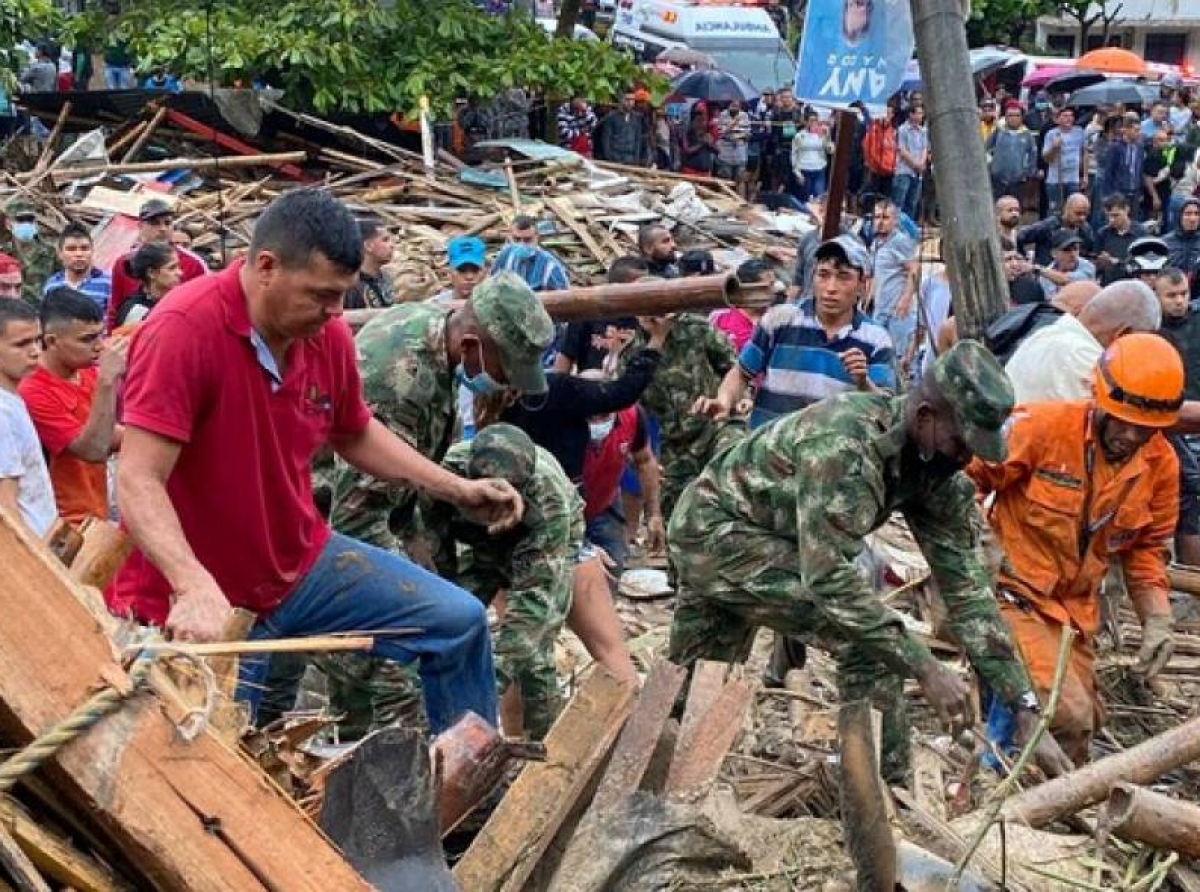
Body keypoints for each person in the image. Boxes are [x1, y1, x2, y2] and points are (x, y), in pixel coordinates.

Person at [105, 189, 523, 734]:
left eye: (342, 297)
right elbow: (138, 479)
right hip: (207, 605)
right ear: (266, 267)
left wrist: (455, 488)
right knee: (222, 758)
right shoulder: (183, 330)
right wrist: (191, 584)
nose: (335, 313)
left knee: (460, 623)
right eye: (321, 295)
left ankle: (468, 799)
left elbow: (354, 430)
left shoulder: (324, 337)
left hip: (299, 564)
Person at [668, 340, 1073, 782]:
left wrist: (1023, 706)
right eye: (961, 443)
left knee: (696, 684)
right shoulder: (845, 447)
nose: (967, 459)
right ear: (924, 418)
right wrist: (925, 667)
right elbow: (828, 581)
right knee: (872, 645)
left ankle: (670, 767)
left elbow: (969, 594)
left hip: (772, 542)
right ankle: (881, 792)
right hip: (713, 535)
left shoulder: (937, 472)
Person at [970, 334, 1180, 765]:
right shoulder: (1042, 427)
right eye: (1121, 420)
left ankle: (1032, 793)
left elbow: (1147, 550)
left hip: (1073, 614)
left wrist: (1157, 617)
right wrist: (979, 542)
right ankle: (1008, 798)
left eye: (1144, 428)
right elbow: (966, 474)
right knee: (1064, 715)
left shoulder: (1160, 467)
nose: (1129, 434)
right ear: (1098, 396)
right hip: (1015, 595)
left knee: (1088, 722)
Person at [419, 424, 584, 740]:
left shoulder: (548, 505)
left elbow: (532, 612)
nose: (494, 511)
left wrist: (487, 682)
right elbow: (433, 562)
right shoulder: (441, 479)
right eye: (487, 500)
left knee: (534, 656)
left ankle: (545, 749)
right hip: (475, 544)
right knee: (449, 622)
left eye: (504, 501)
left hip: (539, 542)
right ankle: (430, 731)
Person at [698, 235, 895, 430]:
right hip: (767, 449)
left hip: (827, 456)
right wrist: (723, 402)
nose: (831, 288)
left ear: (863, 284)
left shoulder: (875, 340)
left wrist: (863, 382)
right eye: (823, 275)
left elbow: (886, 410)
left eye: (843, 277)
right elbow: (741, 374)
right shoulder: (780, 320)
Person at [17, 289, 126, 525]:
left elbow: (110, 434)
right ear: (51, 341)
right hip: (62, 524)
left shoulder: (87, 372)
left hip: (95, 514)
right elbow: (93, 450)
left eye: (100, 335)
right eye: (87, 339)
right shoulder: (32, 390)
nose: (99, 346)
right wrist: (108, 381)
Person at [1005, 280, 1162, 403]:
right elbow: (1116, 424)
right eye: (1142, 341)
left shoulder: (1045, 335)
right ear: (1123, 334)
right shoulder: (1083, 358)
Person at [0, 300, 56, 540]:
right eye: (21, 344)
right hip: (28, 554)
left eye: (37, 340)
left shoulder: (12, 400)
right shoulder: (2, 411)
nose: (35, 351)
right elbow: (6, 510)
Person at [1156, 267, 1200, 566]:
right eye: (1171, 295)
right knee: (1187, 491)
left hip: (1196, 417)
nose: (1179, 301)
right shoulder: (1150, 331)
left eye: (1183, 294)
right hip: (1167, 422)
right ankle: (1187, 575)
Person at [107, 199, 207, 330]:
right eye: (154, 223)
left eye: (168, 223)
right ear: (141, 227)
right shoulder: (124, 263)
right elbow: (115, 308)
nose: (162, 229)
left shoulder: (194, 263)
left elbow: (204, 308)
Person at [867, 198, 919, 360]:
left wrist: (905, 299)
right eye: (877, 217)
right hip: (880, 309)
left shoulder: (900, 242)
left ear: (895, 220)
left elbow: (915, 270)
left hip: (897, 311)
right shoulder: (876, 243)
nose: (880, 222)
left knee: (898, 356)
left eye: (885, 217)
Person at [42, 223, 112, 313]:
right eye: (71, 249)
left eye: (84, 248)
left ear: (92, 251)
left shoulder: (108, 284)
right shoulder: (51, 286)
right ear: (60, 253)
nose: (79, 254)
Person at [491, 215, 570, 294]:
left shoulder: (549, 267)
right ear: (510, 237)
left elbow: (564, 298)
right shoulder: (505, 256)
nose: (521, 244)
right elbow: (492, 283)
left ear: (537, 237)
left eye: (527, 240)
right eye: (517, 239)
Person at [709, 258, 773, 354]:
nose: (774, 290)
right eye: (768, 286)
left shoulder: (777, 319)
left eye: (773, 284)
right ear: (748, 288)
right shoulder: (720, 317)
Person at [111, 242, 181, 328]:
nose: (180, 273)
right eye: (172, 268)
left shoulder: (180, 299)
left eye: (179, 267)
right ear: (151, 273)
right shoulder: (137, 312)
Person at [1016, 192, 1094, 266]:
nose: (1082, 218)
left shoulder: (1086, 230)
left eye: (1085, 214)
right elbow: (1020, 236)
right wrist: (1023, 259)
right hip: (1045, 273)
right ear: (1066, 209)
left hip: (1074, 276)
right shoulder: (1047, 226)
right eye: (1078, 213)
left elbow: (1089, 253)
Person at [3, 201, 56, 307]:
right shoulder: (3, 253)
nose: (26, 224)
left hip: (43, 312)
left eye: (30, 220)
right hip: (10, 312)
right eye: (20, 220)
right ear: (8, 224)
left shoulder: (51, 252)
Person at [1093, 194, 1146, 286]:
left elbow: (1142, 265)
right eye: (1108, 216)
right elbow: (1096, 262)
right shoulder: (1103, 233)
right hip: (1109, 285)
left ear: (1126, 210)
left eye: (1115, 215)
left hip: (1133, 285)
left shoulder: (1141, 234)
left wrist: (1117, 262)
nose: (1111, 220)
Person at [1102, 113, 1147, 221]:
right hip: (1119, 190)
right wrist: (1108, 194)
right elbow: (1109, 171)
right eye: (1135, 130)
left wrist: (1140, 190)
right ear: (1126, 130)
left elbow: (1140, 169)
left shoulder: (1140, 147)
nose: (1138, 133)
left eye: (1139, 130)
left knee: (1133, 220)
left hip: (1135, 190)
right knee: (1118, 219)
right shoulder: (1115, 147)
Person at [1043, 107, 1087, 216]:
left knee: (1074, 209)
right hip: (1055, 180)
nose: (1069, 119)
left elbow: (1084, 154)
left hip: (1073, 179)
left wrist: (1084, 175)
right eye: (1065, 116)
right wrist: (1054, 147)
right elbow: (1046, 158)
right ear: (1057, 120)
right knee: (1056, 211)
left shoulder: (1079, 132)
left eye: (1071, 116)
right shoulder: (1051, 134)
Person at [989, 106, 1039, 202]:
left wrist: (1026, 173)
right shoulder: (999, 131)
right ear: (1006, 117)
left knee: (1014, 209)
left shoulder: (1027, 135)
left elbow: (1033, 156)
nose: (1013, 118)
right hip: (997, 180)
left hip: (1017, 182)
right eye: (1010, 115)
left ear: (1021, 117)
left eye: (1017, 115)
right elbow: (986, 148)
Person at [344, 218, 395, 310]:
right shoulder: (350, 285)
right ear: (368, 246)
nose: (392, 245)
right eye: (385, 240)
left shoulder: (386, 278)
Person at [1033, 230, 1096, 300]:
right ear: (1053, 253)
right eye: (1066, 250)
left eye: (1075, 249)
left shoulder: (1088, 267)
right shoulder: (1045, 276)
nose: (1072, 254)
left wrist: (1035, 269)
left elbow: (1065, 279)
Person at [892, 106, 928, 222]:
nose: (920, 116)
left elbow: (925, 148)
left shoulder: (923, 131)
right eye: (918, 113)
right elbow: (902, 150)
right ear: (911, 115)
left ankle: (908, 231)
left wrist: (922, 163)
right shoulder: (902, 130)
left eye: (922, 113)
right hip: (904, 171)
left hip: (918, 173)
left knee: (912, 204)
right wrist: (915, 164)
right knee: (899, 202)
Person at [430, 236, 489, 307]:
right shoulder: (433, 307)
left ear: (485, 273)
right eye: (462, 270)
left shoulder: (499, 307)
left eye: (475, 270)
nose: (469, 277)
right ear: (449, 273)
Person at [600, 91, 652, 168]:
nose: (630, 102)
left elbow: (638, 140)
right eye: (627, 99)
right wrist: (608, 157)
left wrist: (636, 159)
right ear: (622, 100)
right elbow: (606, 139)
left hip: (630, 159)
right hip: (614, 157)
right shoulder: (612, 117)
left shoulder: (637, 118)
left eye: (632, 100)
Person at [789, 109, 831, 203]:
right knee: (806, 199)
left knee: (819, 197)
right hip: (805, 169)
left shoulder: (822, 134)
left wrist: (827, 137)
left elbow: (830, 150)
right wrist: (797, 172)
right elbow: (794, 154)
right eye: (811, 120)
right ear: (806, 122)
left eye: (816, 120)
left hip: (819, 169)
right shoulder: (799, 136)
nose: (813, 123)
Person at [1165, 197, 1200, 298]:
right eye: (1188, 214)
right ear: (1178, 216)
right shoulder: (1165, 243)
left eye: (1197, 214)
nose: (1193, 219)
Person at [716, 99, 751, 190]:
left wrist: (742, 136)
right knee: (725, 180)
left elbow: (748, 132)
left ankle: (741, 202)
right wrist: (731, 125)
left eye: (737, 105)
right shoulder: (722, 115)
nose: (735, 107)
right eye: (733, 105)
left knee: (741, 180)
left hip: (740, 153)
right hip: (725, 154)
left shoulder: (744, 115)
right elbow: (719, 133)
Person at [680, 103, 718, 177]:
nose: (701, 123)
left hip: (706, 173)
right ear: (692, 122)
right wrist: (701, 144)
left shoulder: (707, 134)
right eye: (699, 120)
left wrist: (710, 144)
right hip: (690, 171)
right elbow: (687, 151)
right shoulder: (686, 134)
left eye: (703, 120)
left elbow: (718, 151)